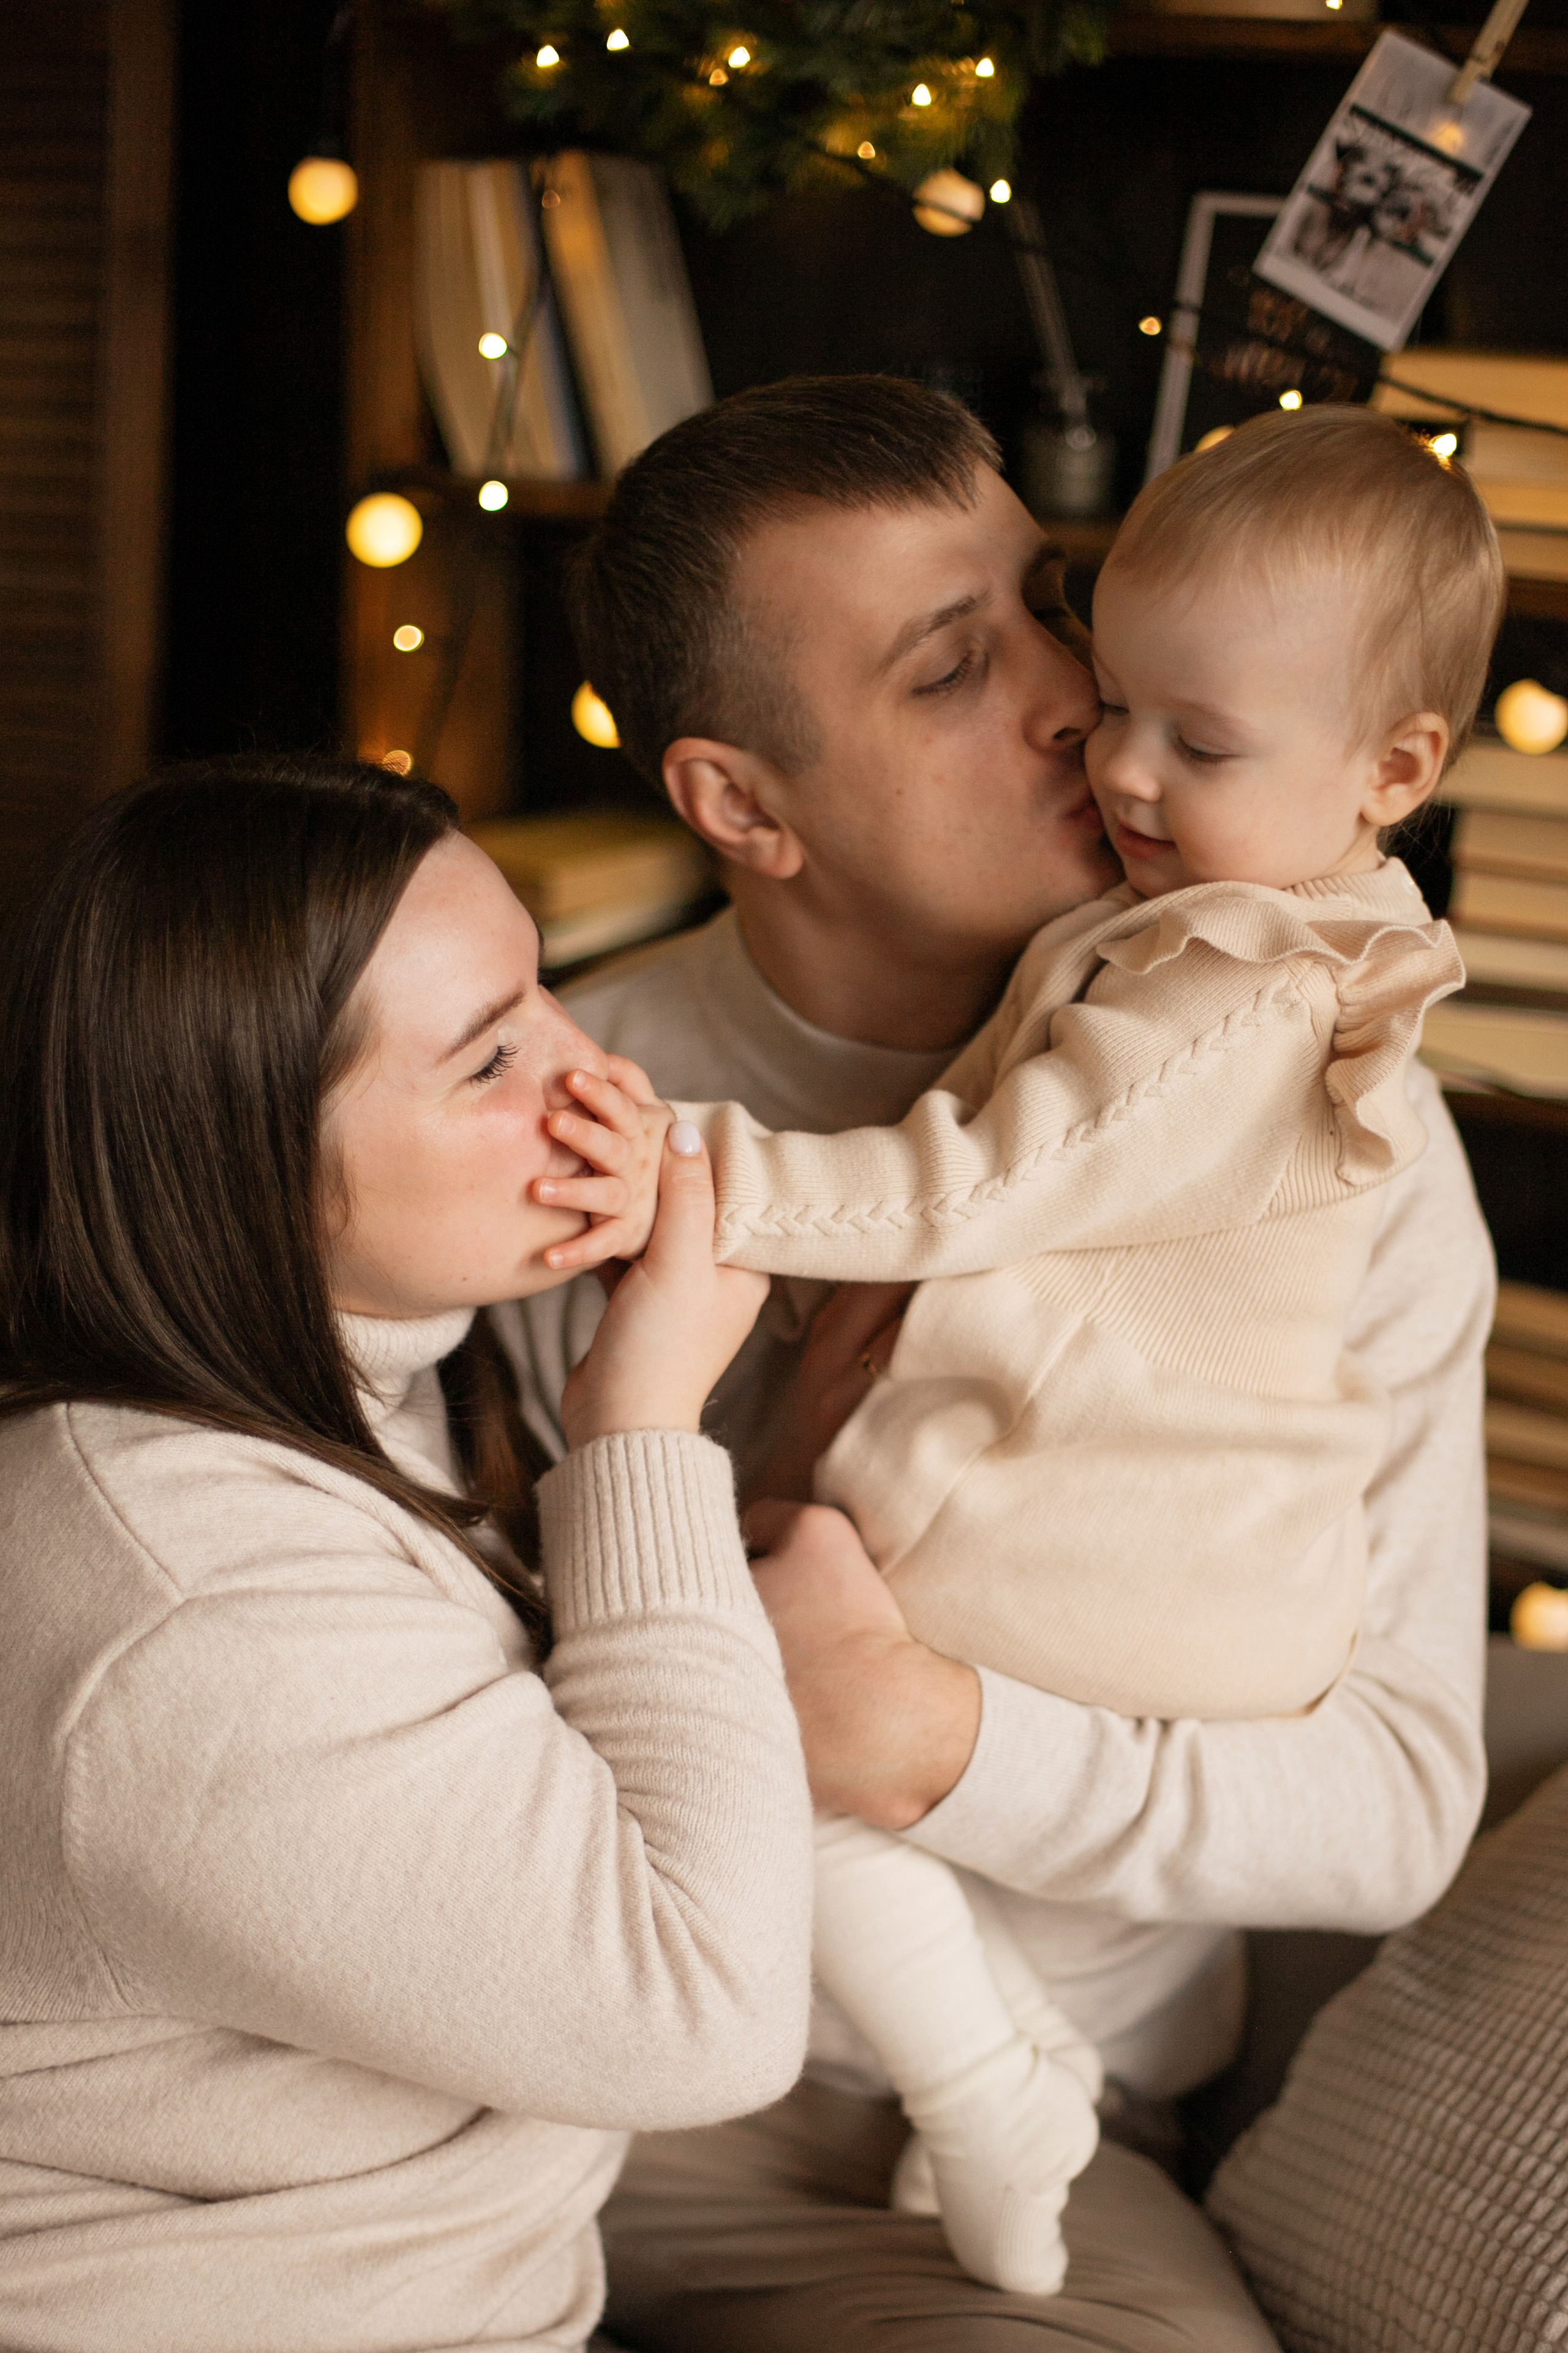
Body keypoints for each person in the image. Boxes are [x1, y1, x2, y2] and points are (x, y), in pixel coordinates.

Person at [513, 377, 1494, 2351]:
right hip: (566, 2058)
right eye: (958, 667)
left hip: (1022, 2137)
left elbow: (1396, 1799)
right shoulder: (570, 1111)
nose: (1080, 703)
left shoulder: (1344, 1124)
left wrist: (938, 1738)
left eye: (1047, 603)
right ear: (738, 805)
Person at [0, 759, 814, 2353]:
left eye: (553, 994)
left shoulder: (385, 1374)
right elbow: (709, 2011)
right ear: (252, 1158)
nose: (596, 1077)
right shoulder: (191, 1602)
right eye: (495, 1054)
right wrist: (650, 1414)